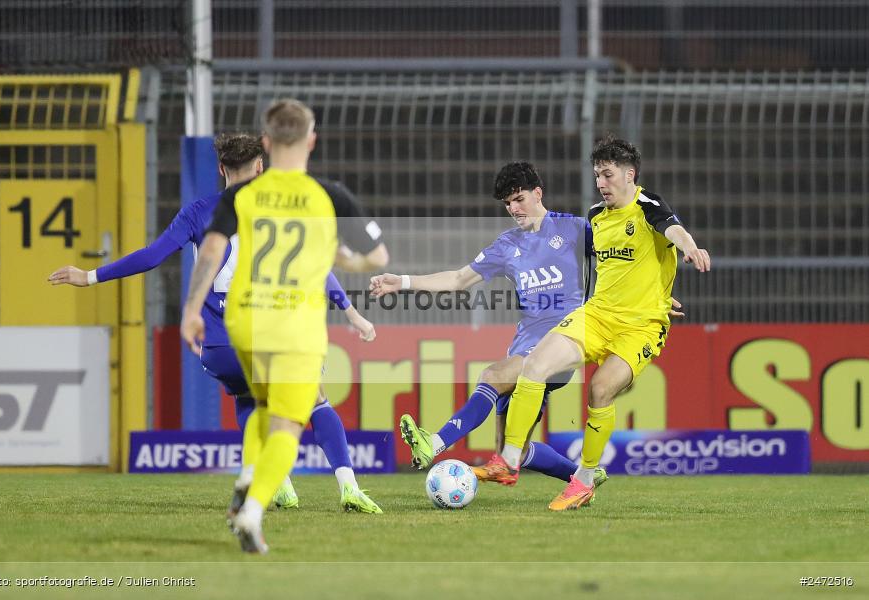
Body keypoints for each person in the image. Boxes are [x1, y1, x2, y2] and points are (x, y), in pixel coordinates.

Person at [48, 132, 384, 515]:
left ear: (222, 169)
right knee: (316, 401)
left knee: (246, 396)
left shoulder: (197, 212)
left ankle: (281, 486)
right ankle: (349, 488)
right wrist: (351, 312)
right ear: (261, 167)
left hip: (220, 347)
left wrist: (89, 276)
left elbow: (153, 256)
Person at [180, 99, 387, 554]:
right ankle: (252, 512)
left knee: (261, 400)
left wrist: (192, 309)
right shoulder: (330, 195)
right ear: (312, 140)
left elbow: (211, 252)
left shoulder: (240, 195)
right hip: (294, 322)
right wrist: (343, 256)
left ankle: (248, 476)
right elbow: (377, 258)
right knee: (290, 424)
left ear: (268, 143)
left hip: (244, 318)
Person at [483, 134, 710, 511]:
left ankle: (584, 480)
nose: (601, 183)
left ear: (629, 175)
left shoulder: (648, 206)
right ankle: (507, 460)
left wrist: (689, 247)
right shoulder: (595, 217)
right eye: (597, 176)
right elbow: (603, 266)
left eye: (607, 175)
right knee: (534, 364)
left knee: (600, 390)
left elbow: (672, 229)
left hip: (640, 326)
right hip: (597, 314)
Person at [370, 161, 610, 489]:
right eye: (508, 203)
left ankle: (435, 443)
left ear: (538, 193)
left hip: (562, 343)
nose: (513, 208)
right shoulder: (507, 245)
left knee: (492, 376)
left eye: (519, 198)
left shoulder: (573, 229)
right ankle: (583, 477)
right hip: (524, 345)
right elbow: (457, 279)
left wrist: (650, 297)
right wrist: (404, 281)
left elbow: (621, 257)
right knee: (512, 452)